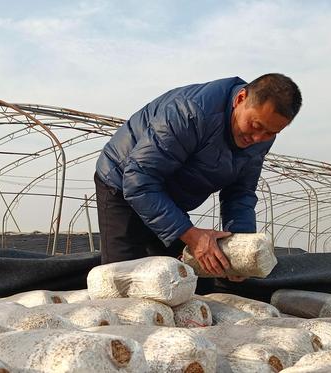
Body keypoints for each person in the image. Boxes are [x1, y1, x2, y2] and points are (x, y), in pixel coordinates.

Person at [94, 73, 302, 283]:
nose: (258, 138)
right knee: (124, 281)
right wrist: (190, 234)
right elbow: (138, 179)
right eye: (256, 126)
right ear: (240, 99)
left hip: (168, 196)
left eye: (270, 133)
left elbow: (240, 193)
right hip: (122, 183)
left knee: (178, 280)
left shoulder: (260, 141)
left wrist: (242, 251)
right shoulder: (191, 113)